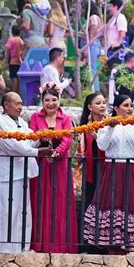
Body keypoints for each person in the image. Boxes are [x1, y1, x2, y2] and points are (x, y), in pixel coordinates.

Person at [84, 95, 134, 252]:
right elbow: (101, 145)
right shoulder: (105, 125)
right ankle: (111, 249)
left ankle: (125, 249)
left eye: (131, 106)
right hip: (111, 171)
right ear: (116, 108)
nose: (129, 109)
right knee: (111, 206)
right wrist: (111, 127)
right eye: (126, 105)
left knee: (128, 207)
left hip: (129, 171)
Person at [0, 92, 54, 252]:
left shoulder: (20, 121)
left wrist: (40, 136)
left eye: (21, 103)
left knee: (23, 212)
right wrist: (39, 152)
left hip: (22, 172)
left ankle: (22, 247)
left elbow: (29, 142)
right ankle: (6, 250)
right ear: (6, 105)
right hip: (7, 174)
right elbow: (14, 147)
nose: (20, 107)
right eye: (17, 104)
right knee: (7, 212)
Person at [29, 84, 78, 253]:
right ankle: (40, 243)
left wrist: (57, 153)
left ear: (59, 100)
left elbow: (67, 138)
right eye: (47, 100)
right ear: (42, 102)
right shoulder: (35, 117)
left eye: (54, 100)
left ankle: (61, 245)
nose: (51, 103)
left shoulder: (65, 118)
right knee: (41, 199)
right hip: (42, 163)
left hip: (60, 164)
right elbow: (32, 136)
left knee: (60, 201)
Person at [77, 93, 108, 208]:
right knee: (89, 201)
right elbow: (81, 149)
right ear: (90, 107)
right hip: (90, 169)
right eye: (98, 103)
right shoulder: (85, 126)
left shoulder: (110, 124)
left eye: (104, 103)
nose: (102, 106)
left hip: (106, 168)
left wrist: (96, 136)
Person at [83, 0, 102, 92]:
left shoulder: (93, 18)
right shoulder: (96, 17)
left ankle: (95, 90)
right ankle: (92, 89)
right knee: (91, 68)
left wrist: (87, 47)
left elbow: (92, 33)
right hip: (94, 44)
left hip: (92, 45)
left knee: (92, 68)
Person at [106, 0, 128, 66]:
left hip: (116, 49)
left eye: (110, 6)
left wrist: (117, 44)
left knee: (116, 68)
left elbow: (122, 32)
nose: (109, 8)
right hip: (110, 49)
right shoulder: (113, 18)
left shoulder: (121, 17)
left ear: (115, 7)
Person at [5, 25, 24, 93]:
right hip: (20, 61)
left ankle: (14, 92)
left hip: (13, 61)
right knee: (18, 77)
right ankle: (18, 91)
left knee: (14, 77)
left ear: (12, 31)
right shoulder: (21, 41)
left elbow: (7, 51)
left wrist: (6, 61)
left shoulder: (11, 40)